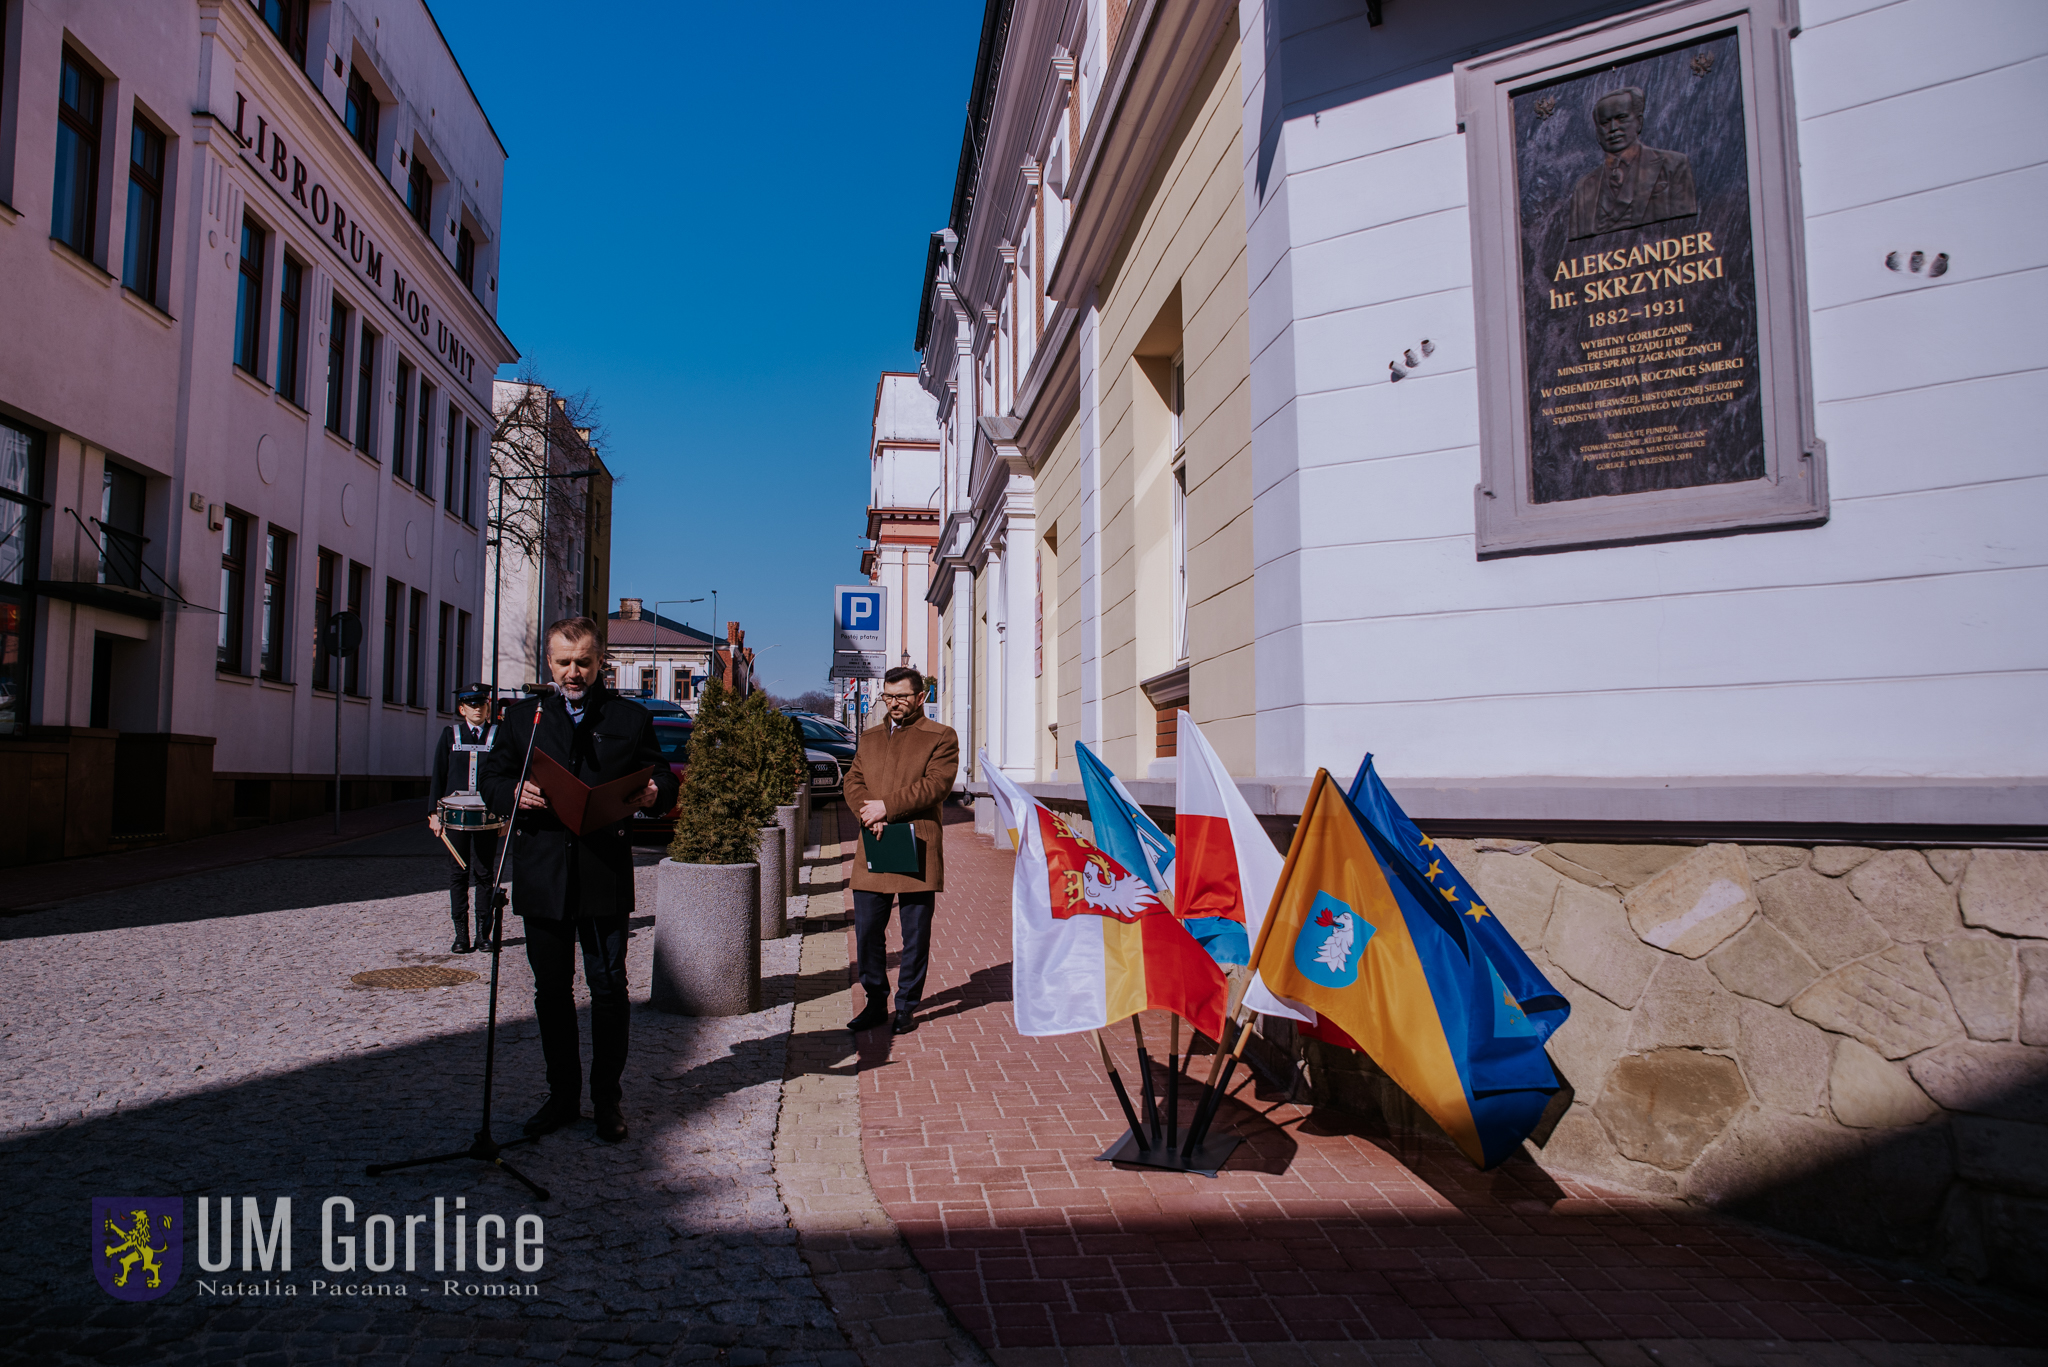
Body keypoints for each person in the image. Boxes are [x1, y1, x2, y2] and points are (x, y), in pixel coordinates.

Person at [479, 617, 676, 1143]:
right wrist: (511, 794)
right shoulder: (524, 717)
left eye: (583, 662)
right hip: (542, 872)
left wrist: (656, 791)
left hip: (603, 872)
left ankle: (607, 1100)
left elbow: (659, 774)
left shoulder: (628, 717)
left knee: (609, 989)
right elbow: (492, 777)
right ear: (549, 662)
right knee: (551, 992)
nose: (573, 672)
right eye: (564, 662)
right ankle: (561, 1095)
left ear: (600, 661)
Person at [841, 666, 960, 1036]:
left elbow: (935, 786)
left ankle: (906, 1005)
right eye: (888, 697)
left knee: (915, 934)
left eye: (902, 697)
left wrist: (885, 808)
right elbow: (853, 779)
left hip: (917, 844)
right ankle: (875, 1002)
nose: (894, 704)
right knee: (867, 931)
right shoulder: (871, 737)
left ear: (921, 697)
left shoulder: (941, 736)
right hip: (874, 843)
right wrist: (867, 810)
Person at [1566, 85, 1697, 240]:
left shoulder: (1673, 165)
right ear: (1597, 133)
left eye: (1621, 118)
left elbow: (1685, 227)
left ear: (1639, 122)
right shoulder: (1584, 188)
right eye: (1605, 122)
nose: (1613, 128)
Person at [429, 683, 501, 954]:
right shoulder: (450, 735)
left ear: (487, 707)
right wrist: (433, 814)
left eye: (481, 704)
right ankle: (461, 935)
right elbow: (438, 774)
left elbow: (505, 777)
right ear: (462, 709)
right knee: (458, 874)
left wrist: (505, 816)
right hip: (455, 818)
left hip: (488, 817)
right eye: (471, 705)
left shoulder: (498, 735)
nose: (477, 709)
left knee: (484, 874)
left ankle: (484, 935)